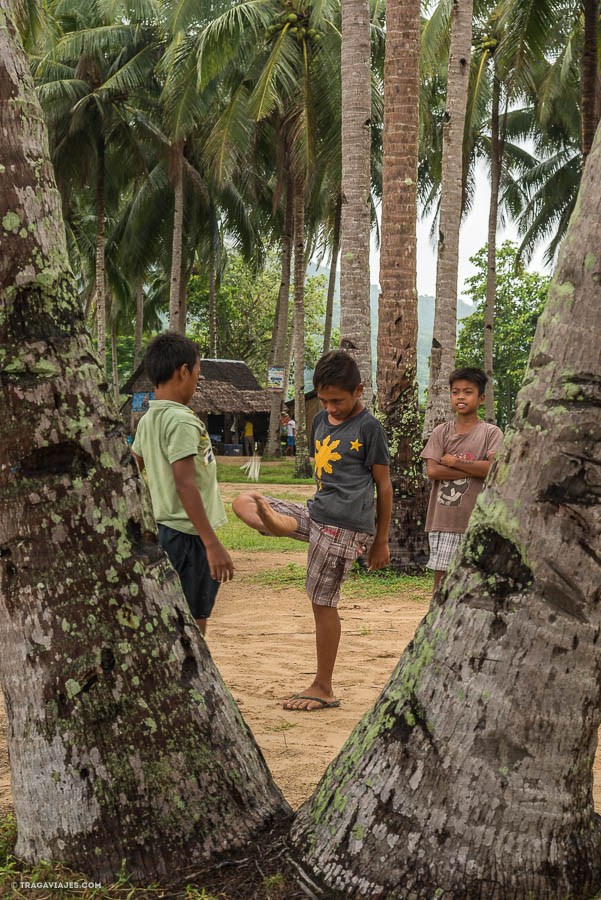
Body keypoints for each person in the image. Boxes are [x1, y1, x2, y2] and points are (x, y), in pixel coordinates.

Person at [232, 350, 392, 711]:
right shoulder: (320, 421)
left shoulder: (369, 428)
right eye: (324, 400)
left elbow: (384, 485)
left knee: (323, 603)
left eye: (337, 401)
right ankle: (277, 524)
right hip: (317, 514)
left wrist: (381, 540)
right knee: (243, 500)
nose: (331, 407)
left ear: (358, 391)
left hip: (345, 527)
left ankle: (323, 686)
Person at [131, 332, 234, 636]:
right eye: (197, 374)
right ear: (184, 371)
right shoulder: (183, 421)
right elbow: (185, 484)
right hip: (190, 537)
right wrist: (211, 543)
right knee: (193, 626)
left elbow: (133, 467)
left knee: (171, 618)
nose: (196, 383)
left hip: (165, 532)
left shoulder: (148, 420)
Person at [420, 366, 504, 595]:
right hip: (444, 519)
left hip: (478, 521)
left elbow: (493, 469)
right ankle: (437, 629)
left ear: (481, 398)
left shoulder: (491, 433)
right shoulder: (441, 432)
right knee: (442, 584)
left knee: (477, 585)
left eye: (468, 392)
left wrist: (453, 461)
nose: (460, 397)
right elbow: (433, 471)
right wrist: (473, 468)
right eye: (455, 392)